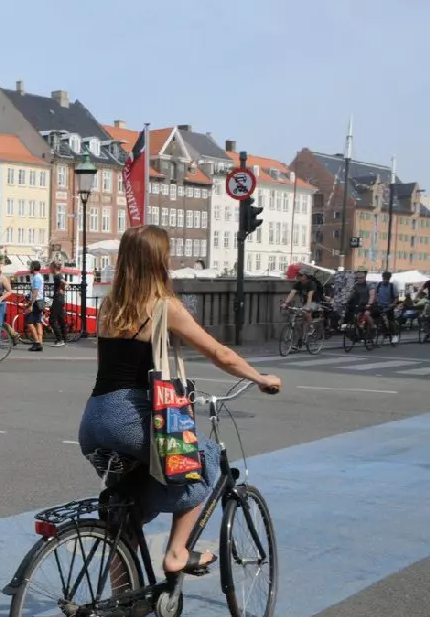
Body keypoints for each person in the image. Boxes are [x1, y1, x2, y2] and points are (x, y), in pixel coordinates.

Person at [79, 225, 281, 577]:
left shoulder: (110, 305)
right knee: (202, 458)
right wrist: (260, 378)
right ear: (159, 260)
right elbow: (219, 353)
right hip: (130, 417)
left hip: (95, 418)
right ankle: (177, 552)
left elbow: (106, 368)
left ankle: (123, 598)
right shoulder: (164, 306)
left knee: (128, 511)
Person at [25, 261, 46, 352]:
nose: (29, 268)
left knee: (29, 322)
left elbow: (35, 292)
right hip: (40, 302)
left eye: (30, 266)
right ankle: (40, 342)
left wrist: (31, 304)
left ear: (33, 267)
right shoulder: (40, 276)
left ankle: (37, 342)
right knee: (38, 322)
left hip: (36, 302)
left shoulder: (36, 278)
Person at [373, 270, 400, 340]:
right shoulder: (378, 285)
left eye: (387, 278)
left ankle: (395, 335)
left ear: (389, 278)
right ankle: (383, 333)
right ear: (382, 277)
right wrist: (375, 302)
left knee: (391, 321)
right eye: (384, 278)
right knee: (378, 319)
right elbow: (375, 295)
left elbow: (396, 298)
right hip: (380, 306)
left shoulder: (392, 286)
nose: (385, 280)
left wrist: (392, 304)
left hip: (389, 306)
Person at [48, 262, 68, 347]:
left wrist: (59, 289)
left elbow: (64, 283)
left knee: (52, 320)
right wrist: (62, 289)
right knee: (61, 320)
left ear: (54, 267)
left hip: (58, 300)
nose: (49, 269)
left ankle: (60, 340)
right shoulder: (60, 275)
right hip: (61, 299)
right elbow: (66, 283)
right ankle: (64, 339)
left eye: (50, 267)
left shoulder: (56, 276)